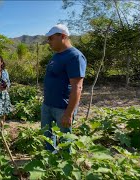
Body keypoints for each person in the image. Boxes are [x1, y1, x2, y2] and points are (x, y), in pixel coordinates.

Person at [41, 24, 87, 153]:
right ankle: (50, 162)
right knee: (47, 137)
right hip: (47, 105)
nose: (48, 42)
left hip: (62, 107)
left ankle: (65, 167)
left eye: (51, 38)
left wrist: (68, 113)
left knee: (65, 140)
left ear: (63, 36)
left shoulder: (74, 57)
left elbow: (77, 87)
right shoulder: (56, 56)